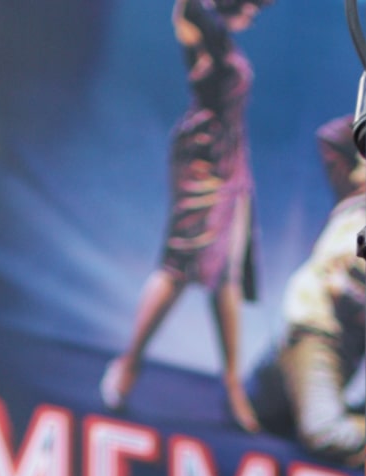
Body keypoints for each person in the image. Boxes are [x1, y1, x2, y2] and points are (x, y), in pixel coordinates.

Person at [101, 0, 270, 429]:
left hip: (234, 159)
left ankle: (232, 384)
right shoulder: (199, 24)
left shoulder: (226, 41)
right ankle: (129, 362)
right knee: (180, 264)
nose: (254, 11)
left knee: (227, 275)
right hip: (204, 157)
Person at [248, 115, 366, 464]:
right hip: (306, 330)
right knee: (264, 408)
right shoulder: (355, 203)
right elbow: (331, 137)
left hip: (331, 337)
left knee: (325, 433)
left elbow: (353, 289)